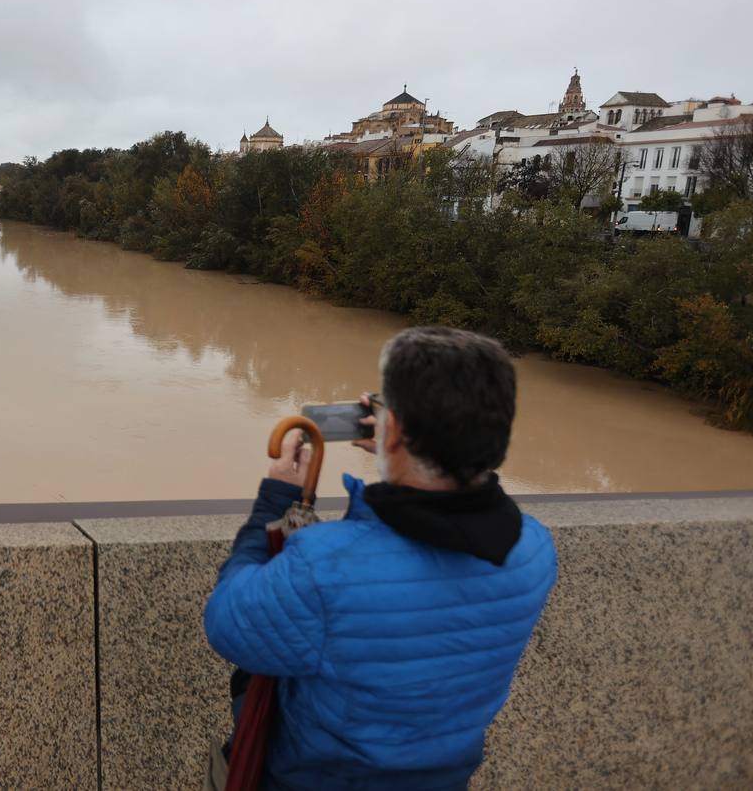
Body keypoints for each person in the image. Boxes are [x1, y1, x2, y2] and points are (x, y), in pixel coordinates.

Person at [204, 326, 558, 790]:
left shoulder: (326, 567)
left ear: (396, 432)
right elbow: (469, 506)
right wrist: (410, 452)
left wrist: (276, 499)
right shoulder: (533, 550)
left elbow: (227, 622)